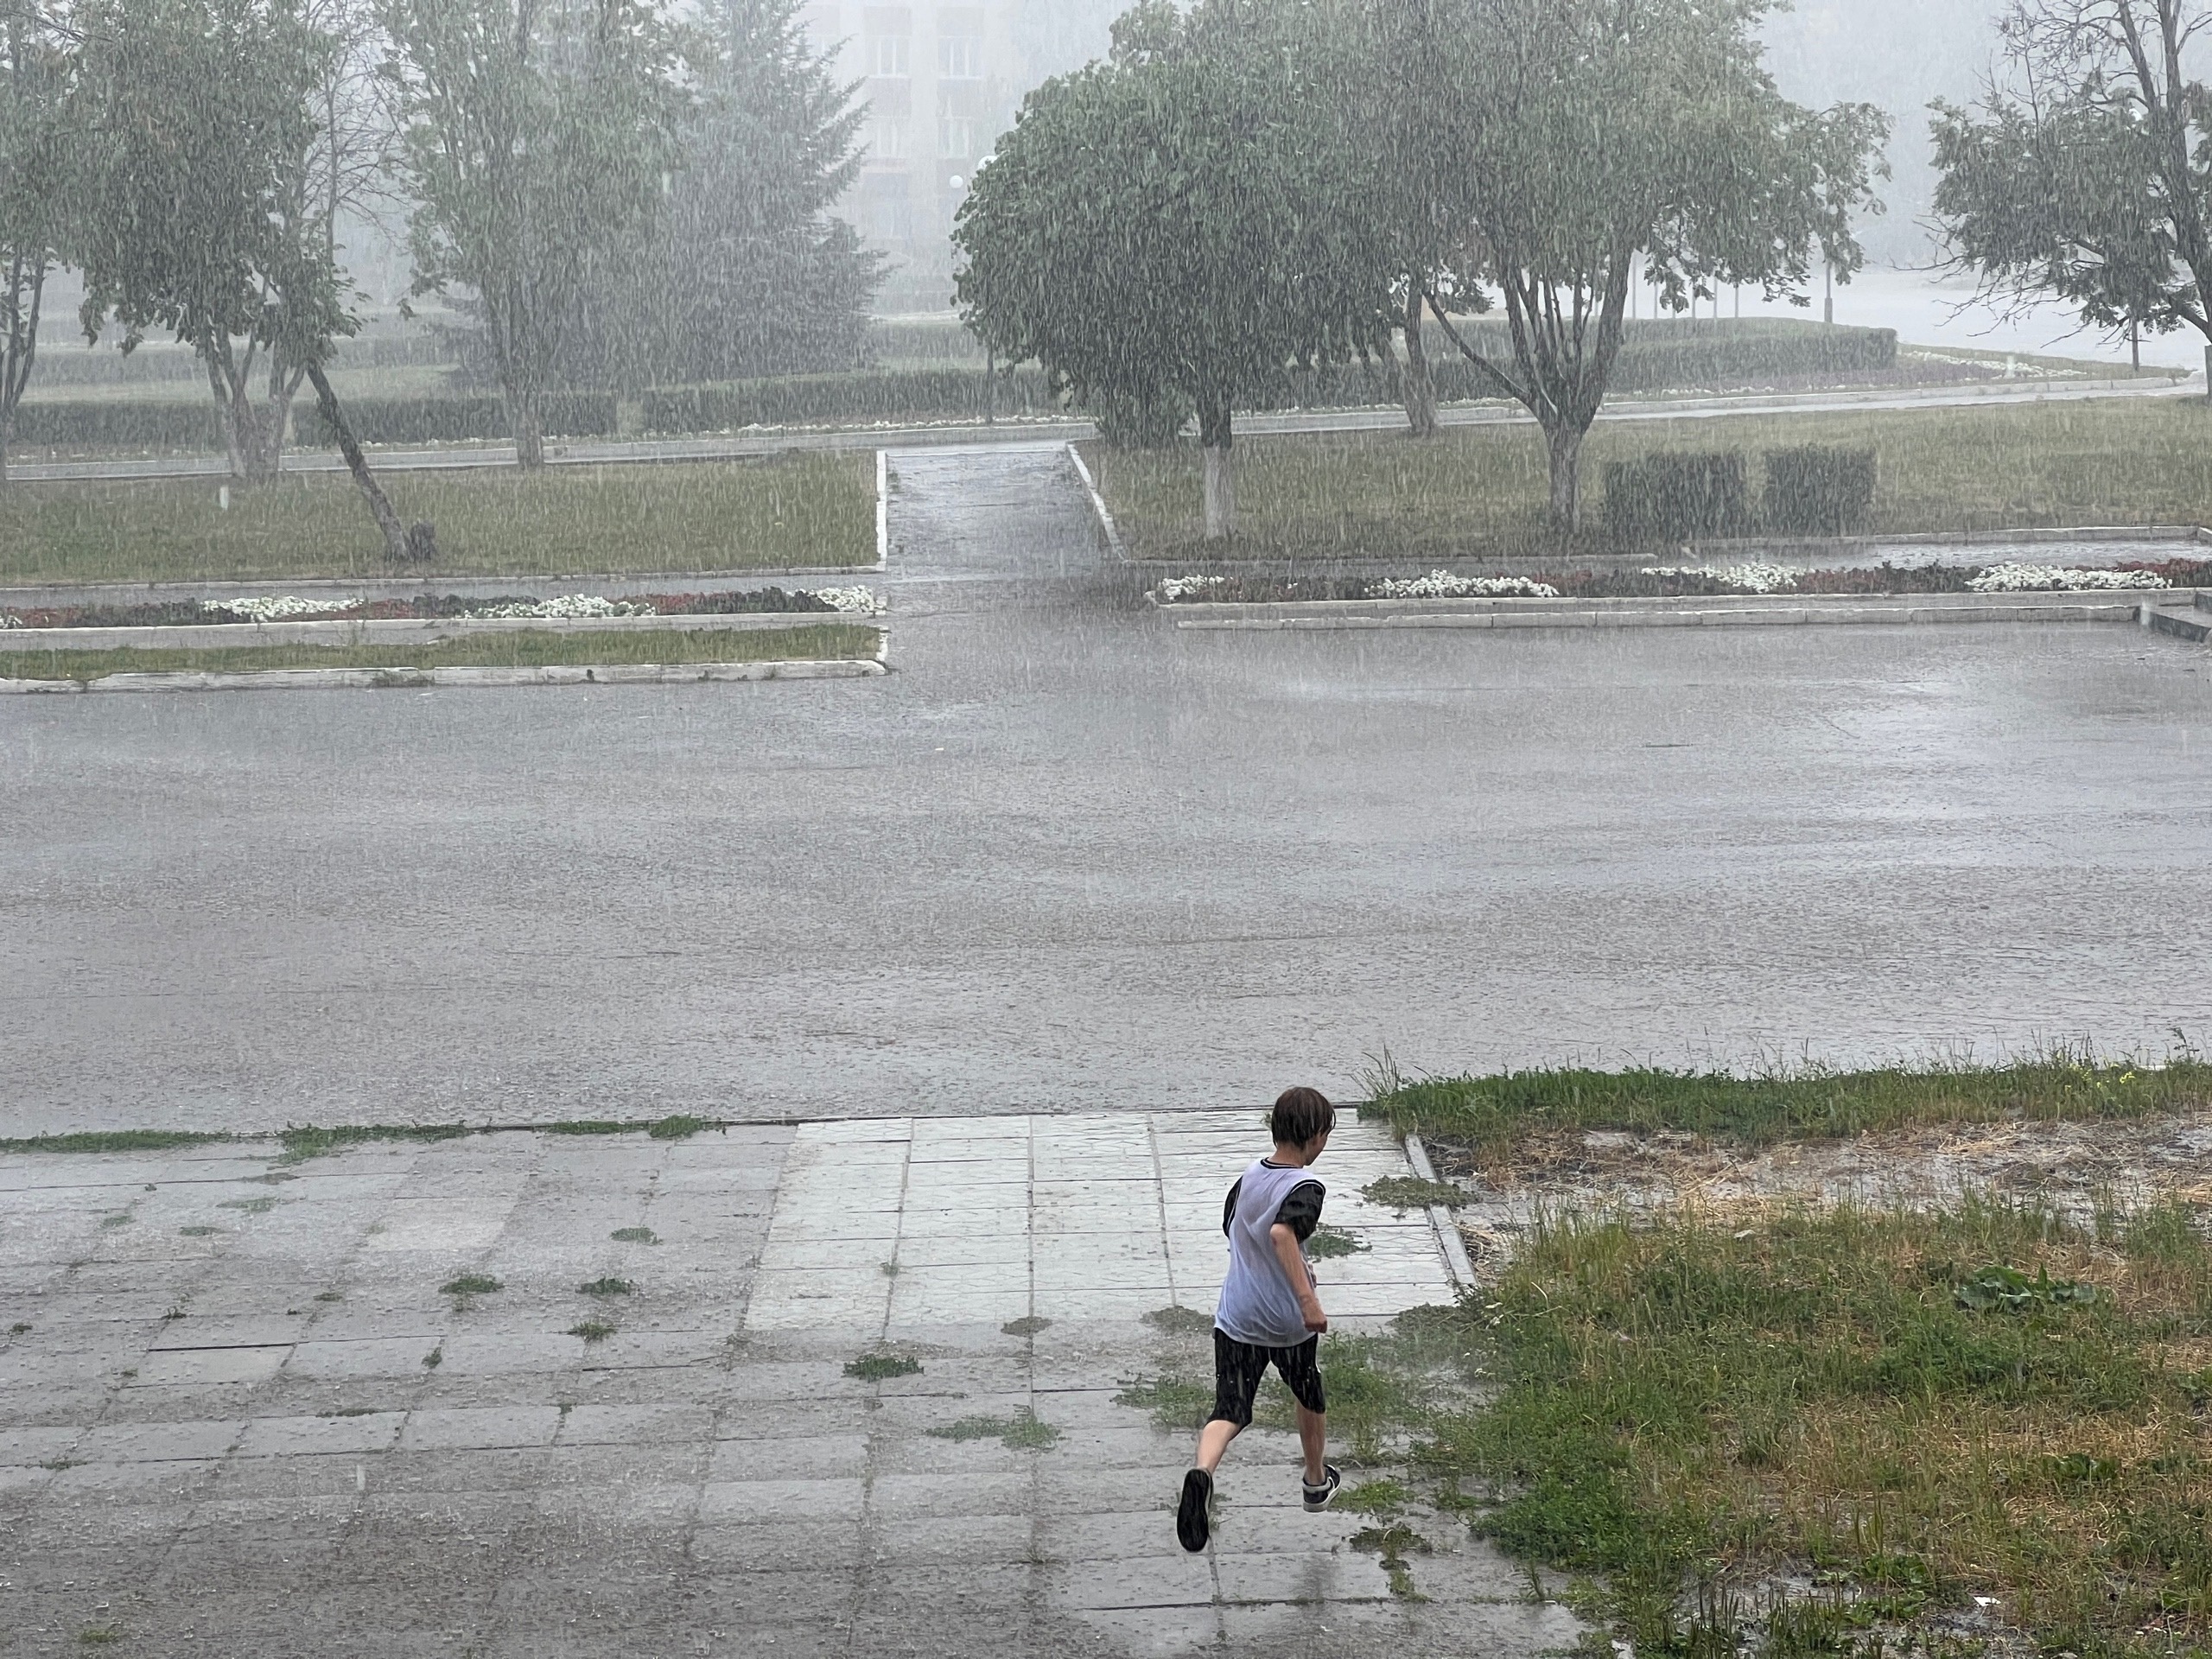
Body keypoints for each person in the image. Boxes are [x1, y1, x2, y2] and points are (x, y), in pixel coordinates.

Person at [1176, 1085, 1341, 1554]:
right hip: (1286, 1321)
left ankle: (1202, 1473)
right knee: (1308, 1390)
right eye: (1326, 1134)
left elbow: (1234, 1228)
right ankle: (1314, 1481)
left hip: (1237, 1315)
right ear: (1312, 1136)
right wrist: (1307, 1299)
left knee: (1229, 1409)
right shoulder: (1305, 1188)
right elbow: (1281, 1232)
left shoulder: (1248, 1177)